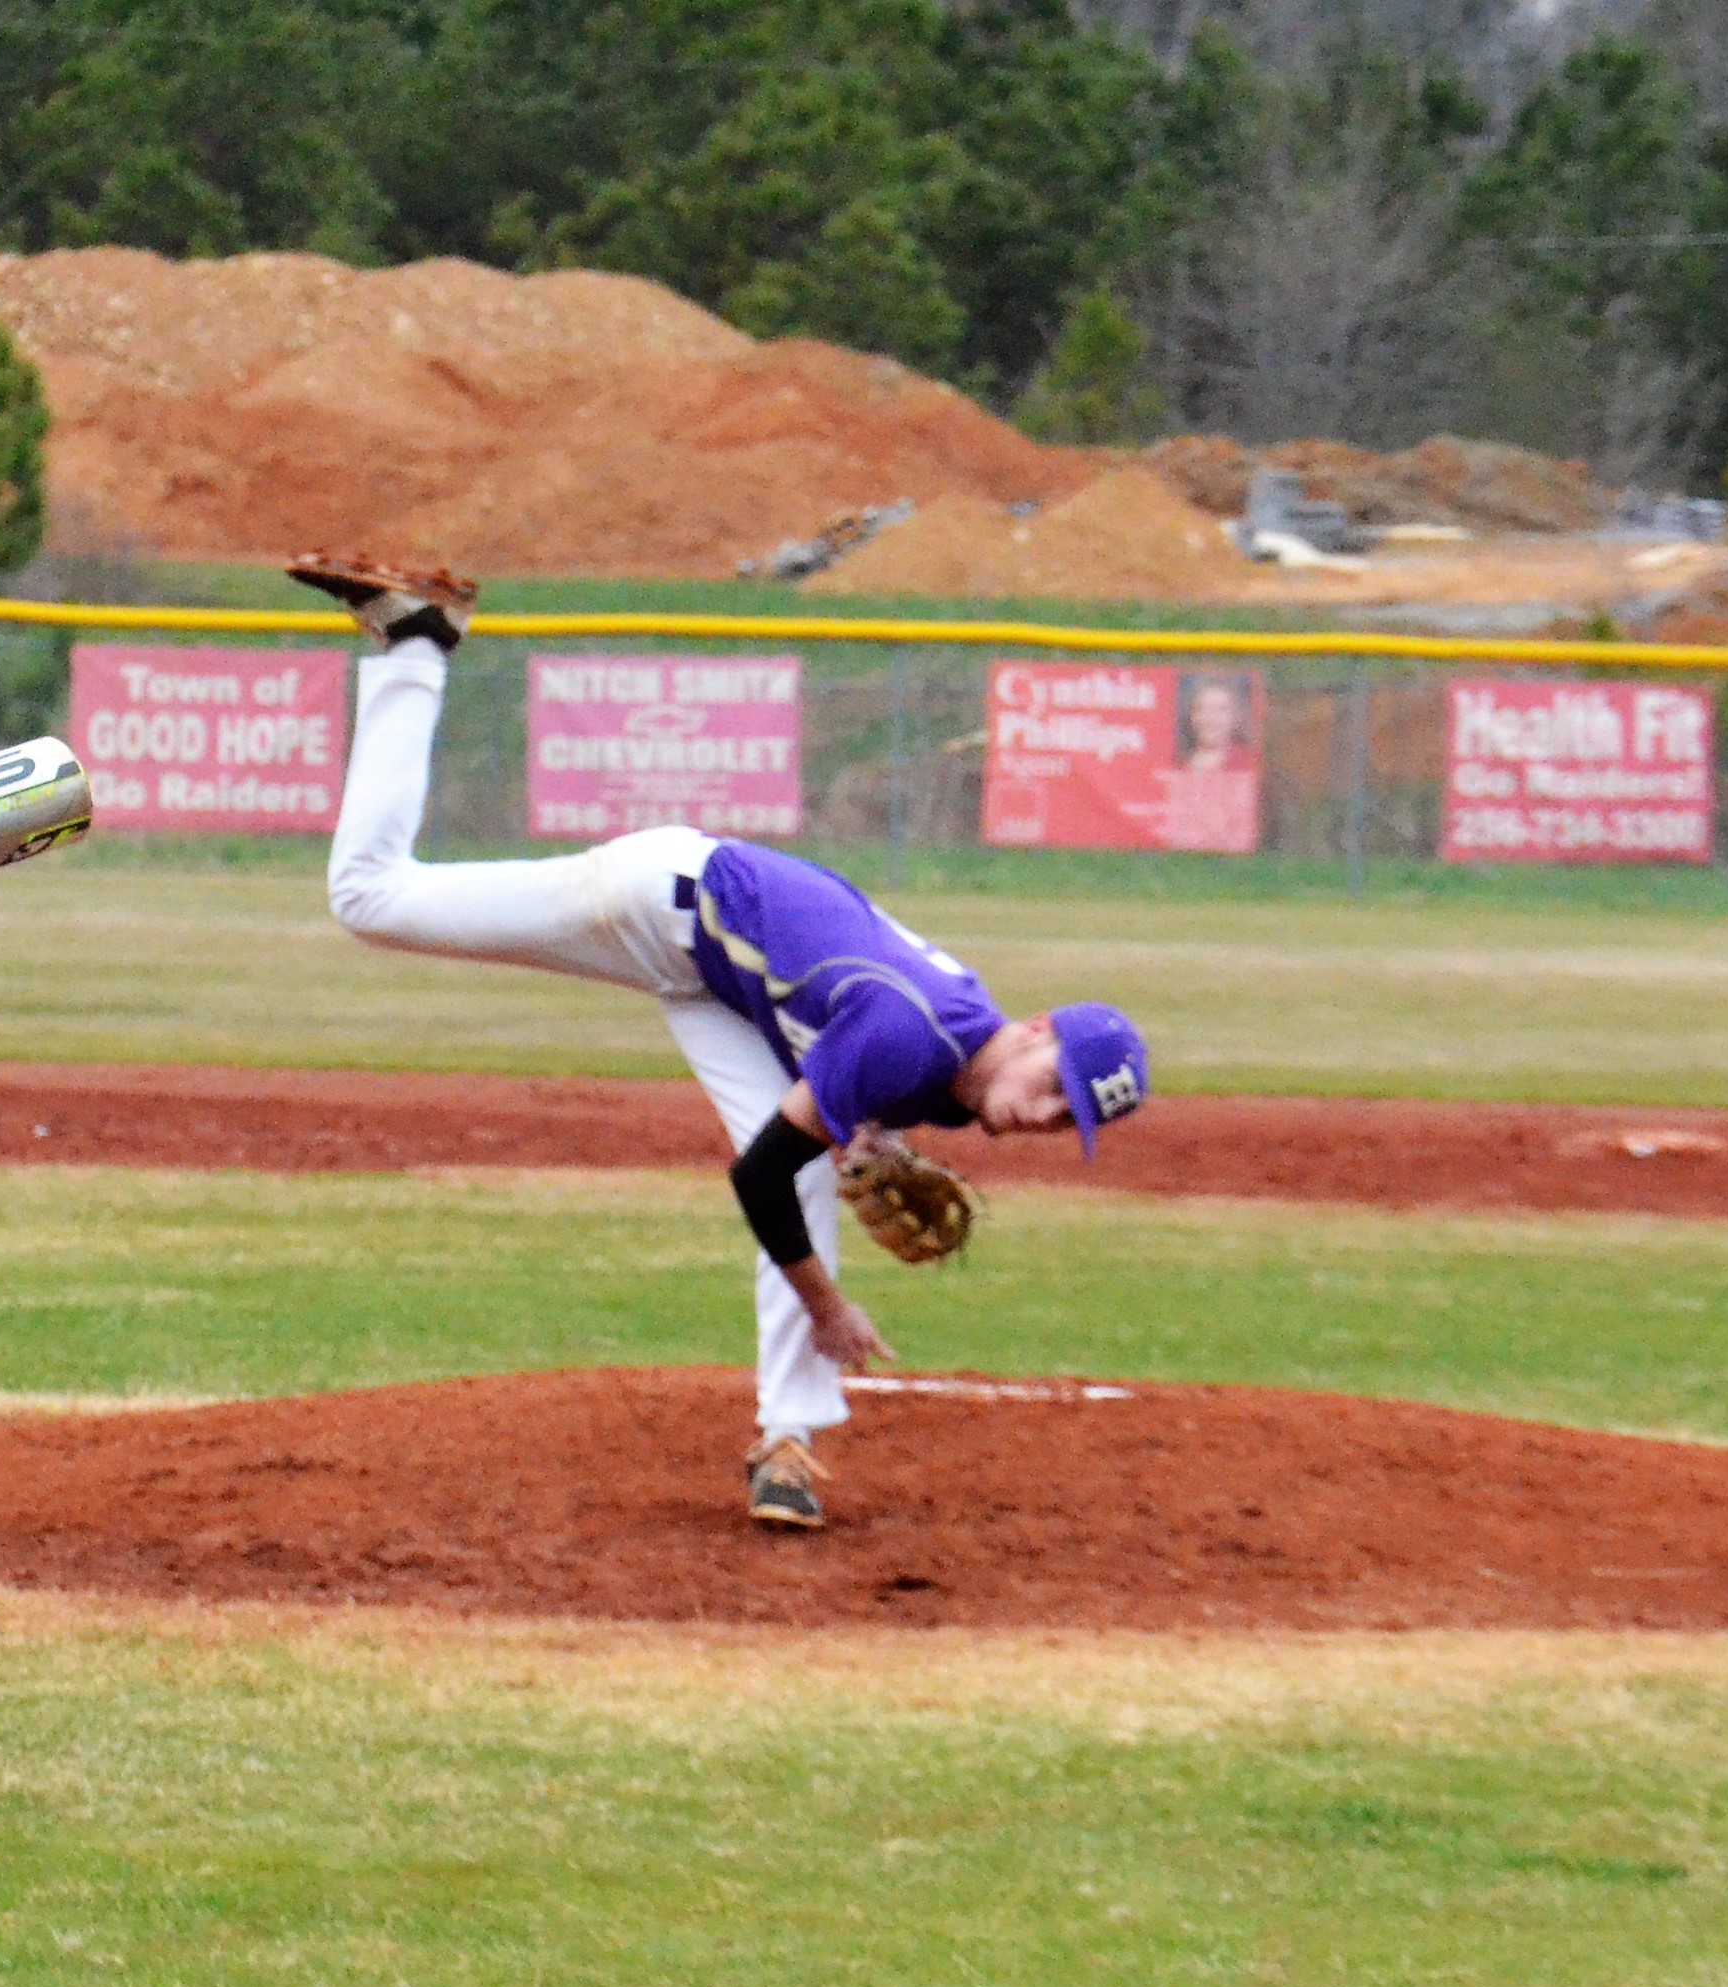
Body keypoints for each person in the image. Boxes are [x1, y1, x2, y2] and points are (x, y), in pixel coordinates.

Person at [301, 556, 1148, 1532]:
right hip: (659, 906)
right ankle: (417, 644)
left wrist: (863, 1138)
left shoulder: (962, 1045)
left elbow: (825, 1017)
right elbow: (760, 1165)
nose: (1041, 1117)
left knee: (803, 1168)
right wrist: (828, 1305)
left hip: (725, 978)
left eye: (1065, 1121)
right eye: (1056, 1087)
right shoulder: (909, 1038)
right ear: (1038, 1031)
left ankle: (785, 1444)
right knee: (368, 900)